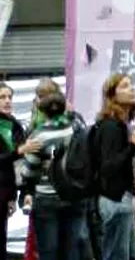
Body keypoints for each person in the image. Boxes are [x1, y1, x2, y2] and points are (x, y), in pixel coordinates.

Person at [20, 90, 85, 260]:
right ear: (64, 108)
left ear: (42, 111)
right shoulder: (76, 130)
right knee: (72, 251)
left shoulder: (39, 135)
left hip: (46, 199)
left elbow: (29, 171)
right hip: (74, 196)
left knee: (49, 251)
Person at [95, 74, 135, 260]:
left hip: (122, 198)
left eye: (131, 85)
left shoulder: (121, 125)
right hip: (115, 199)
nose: (131, 89)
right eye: (124, 86)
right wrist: (133, 146)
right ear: (112, 95)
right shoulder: (111, 127)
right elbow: (108, 166)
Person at [0, 82, 37, 260]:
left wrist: (12, 197)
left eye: (9, 97)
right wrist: (18, 151)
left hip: (5, 192)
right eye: (2, 97)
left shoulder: (14, 125)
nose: (7, 101)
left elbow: (16, 167)